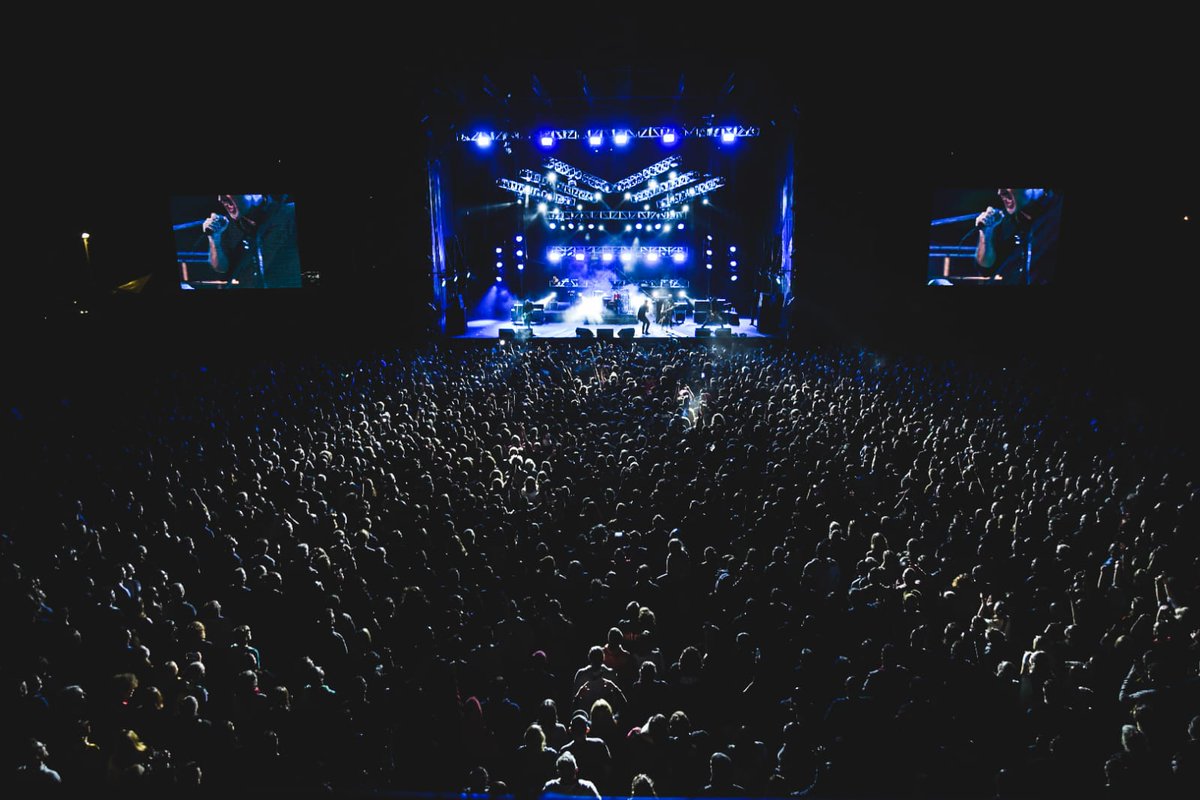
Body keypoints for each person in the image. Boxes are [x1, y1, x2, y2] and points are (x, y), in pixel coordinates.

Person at [201, 194, 301, 289]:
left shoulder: (289, 213)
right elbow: (220, 268)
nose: (220, 198)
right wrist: (214, 238)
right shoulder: (227, 224)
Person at [973, 188, 1062, 285]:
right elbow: (986, 268)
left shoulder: (1057, 210)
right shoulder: (1003, 219)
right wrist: (986, 233)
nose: (999, 192)